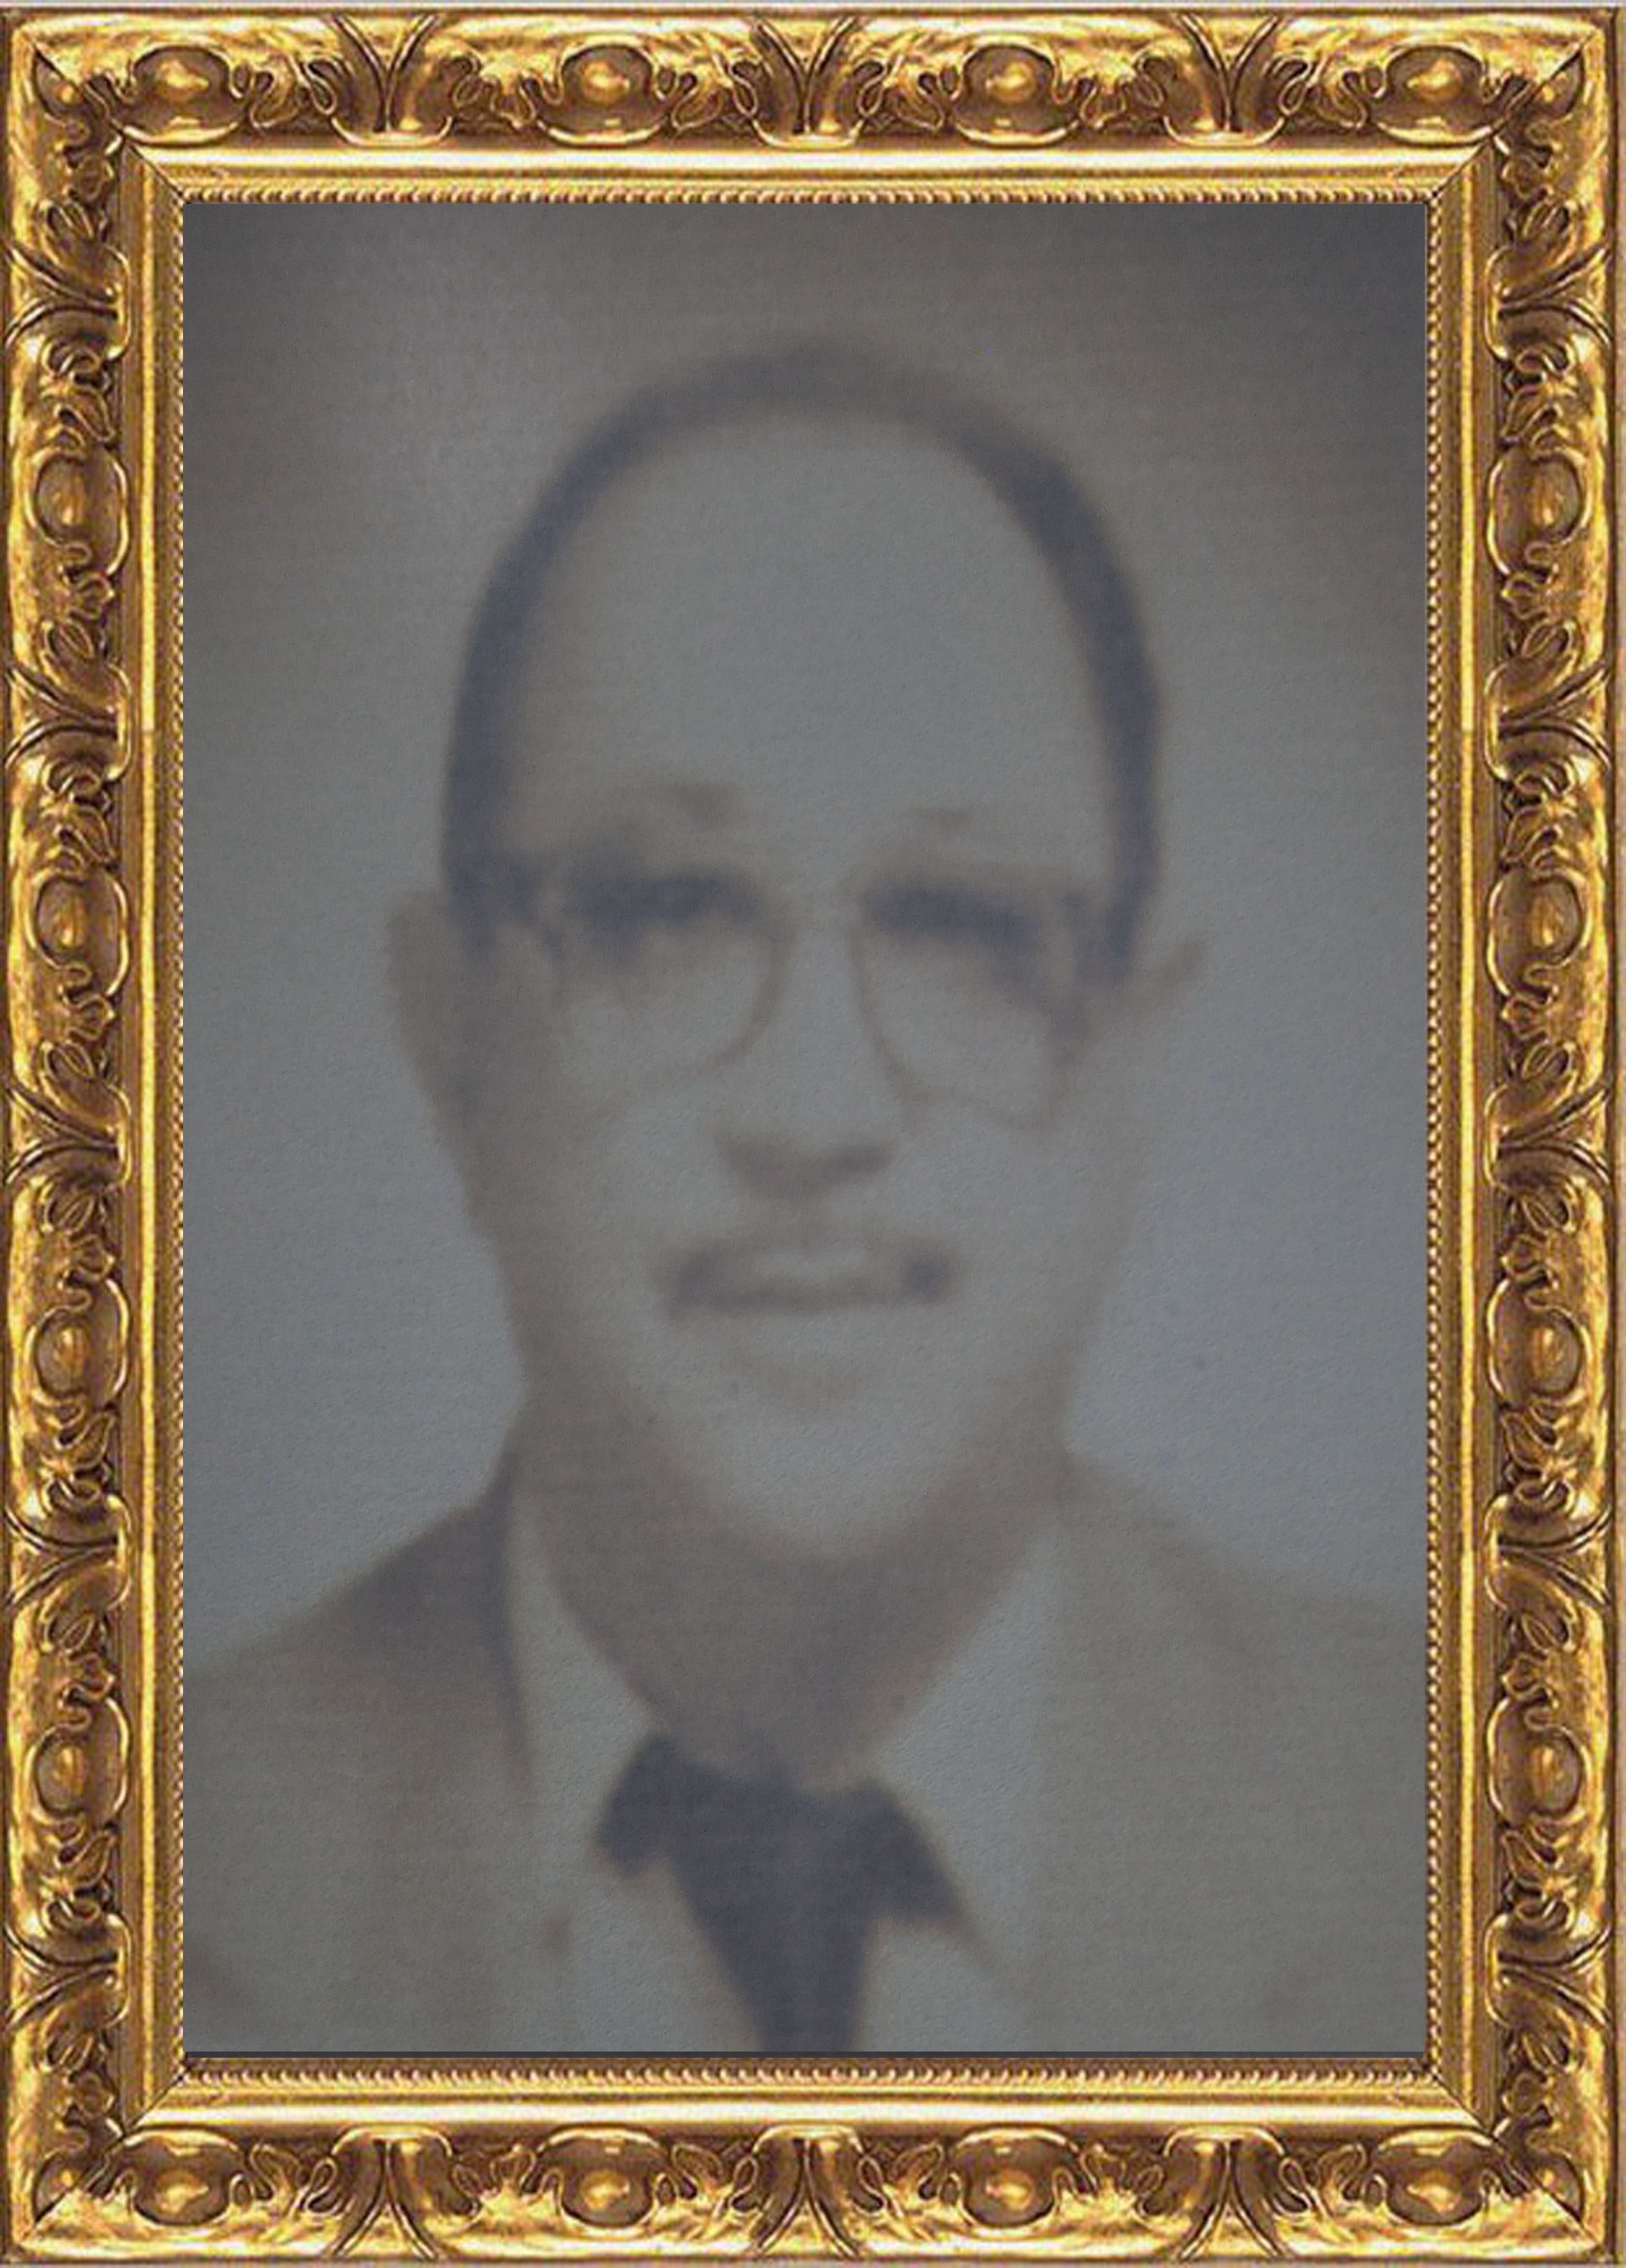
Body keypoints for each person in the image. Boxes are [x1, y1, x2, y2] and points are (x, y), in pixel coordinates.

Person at [186, 347, 1423, 2056]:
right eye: (668, 910)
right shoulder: (128, 1881)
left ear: (1137, 1072)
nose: (813, 1113)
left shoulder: (1486, 1832)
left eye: (963, 922)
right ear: (453, 1039)